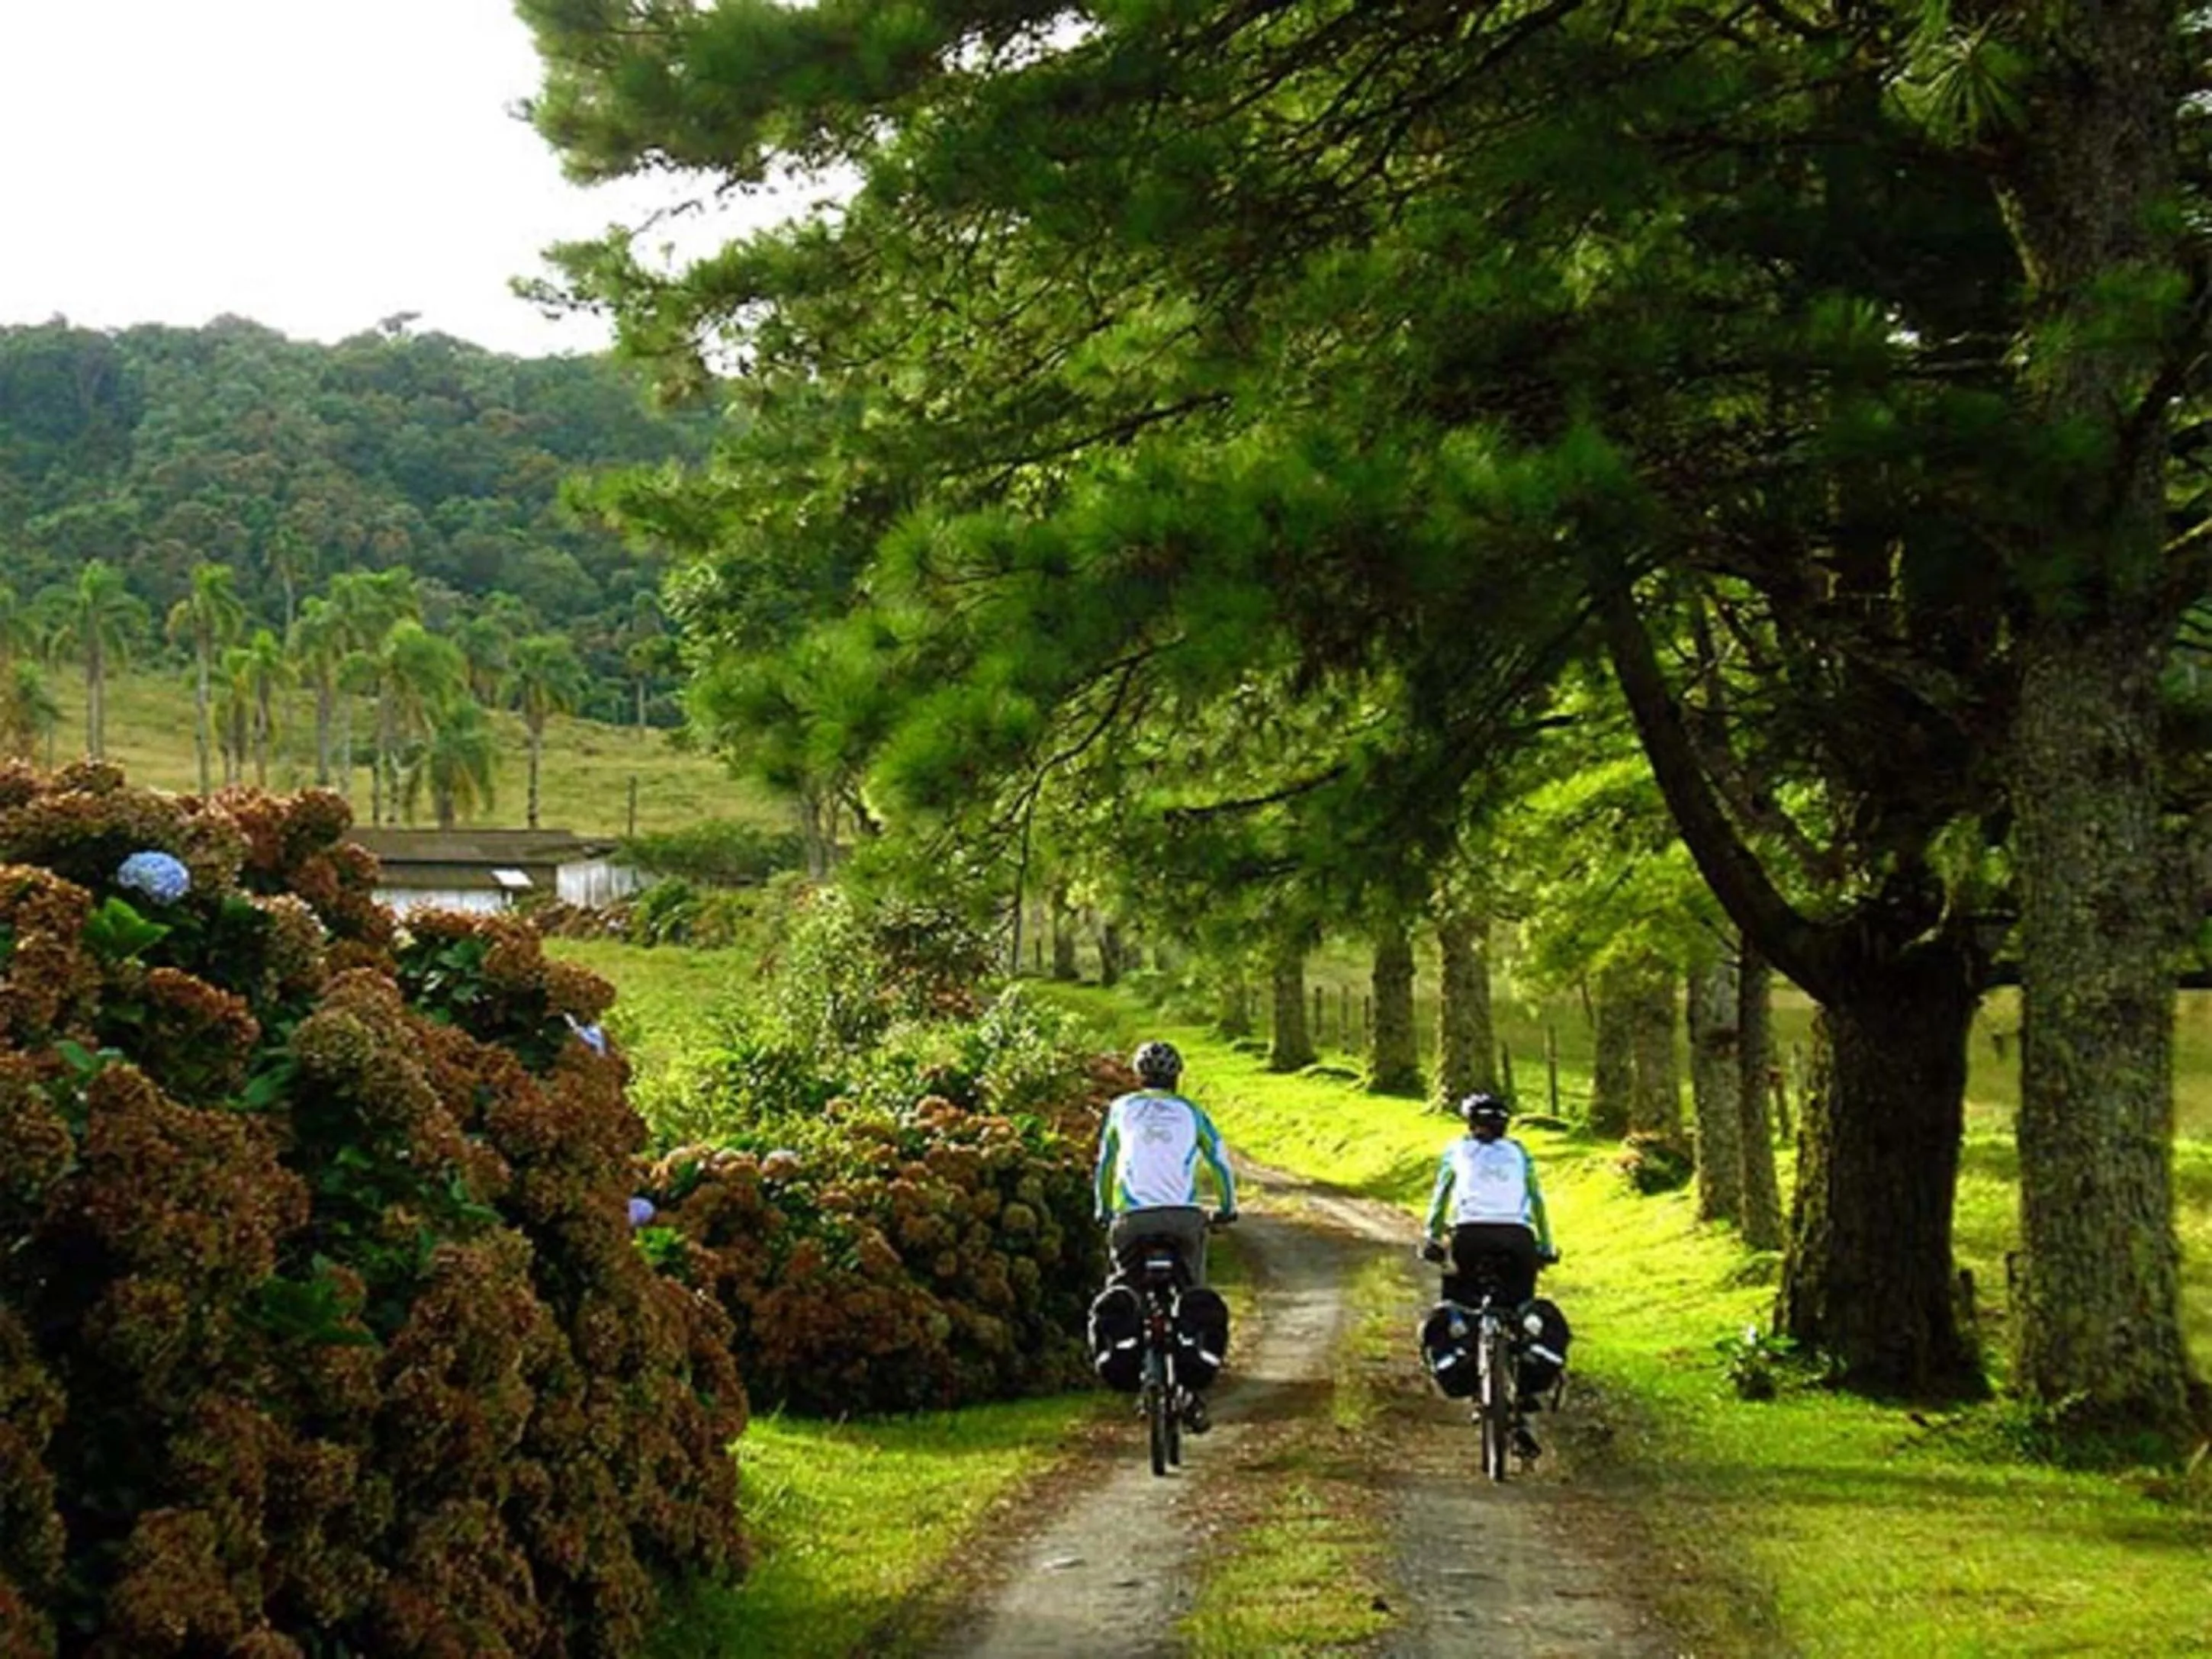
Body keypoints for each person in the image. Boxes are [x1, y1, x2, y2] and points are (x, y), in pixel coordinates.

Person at [1094, 1039, 1239, 1287]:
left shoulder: (1121, 1109)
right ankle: (1192, 1307)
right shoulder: (1192, 1112)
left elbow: (1106, 1162)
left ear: (1138, 1076)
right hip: (1183, 1217)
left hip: (1133, 1218)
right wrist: (1227, 1208)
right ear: (1177, 1077)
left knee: (1124, 1288)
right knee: (1193, 1290)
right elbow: (1219, 1161)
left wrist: (1104, 1209)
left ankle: (1124, 1304)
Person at [1422, 1091, 1555, 1310]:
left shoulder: (1457, 1149)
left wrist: (1433, 1237)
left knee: (1458, 1303)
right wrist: (1546, 1247)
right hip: (1518, 1237)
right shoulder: (1519, 1152)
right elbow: (1536, 1200)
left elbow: (1442, 1194)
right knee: (1521, 1305)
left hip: (1469, 1234)